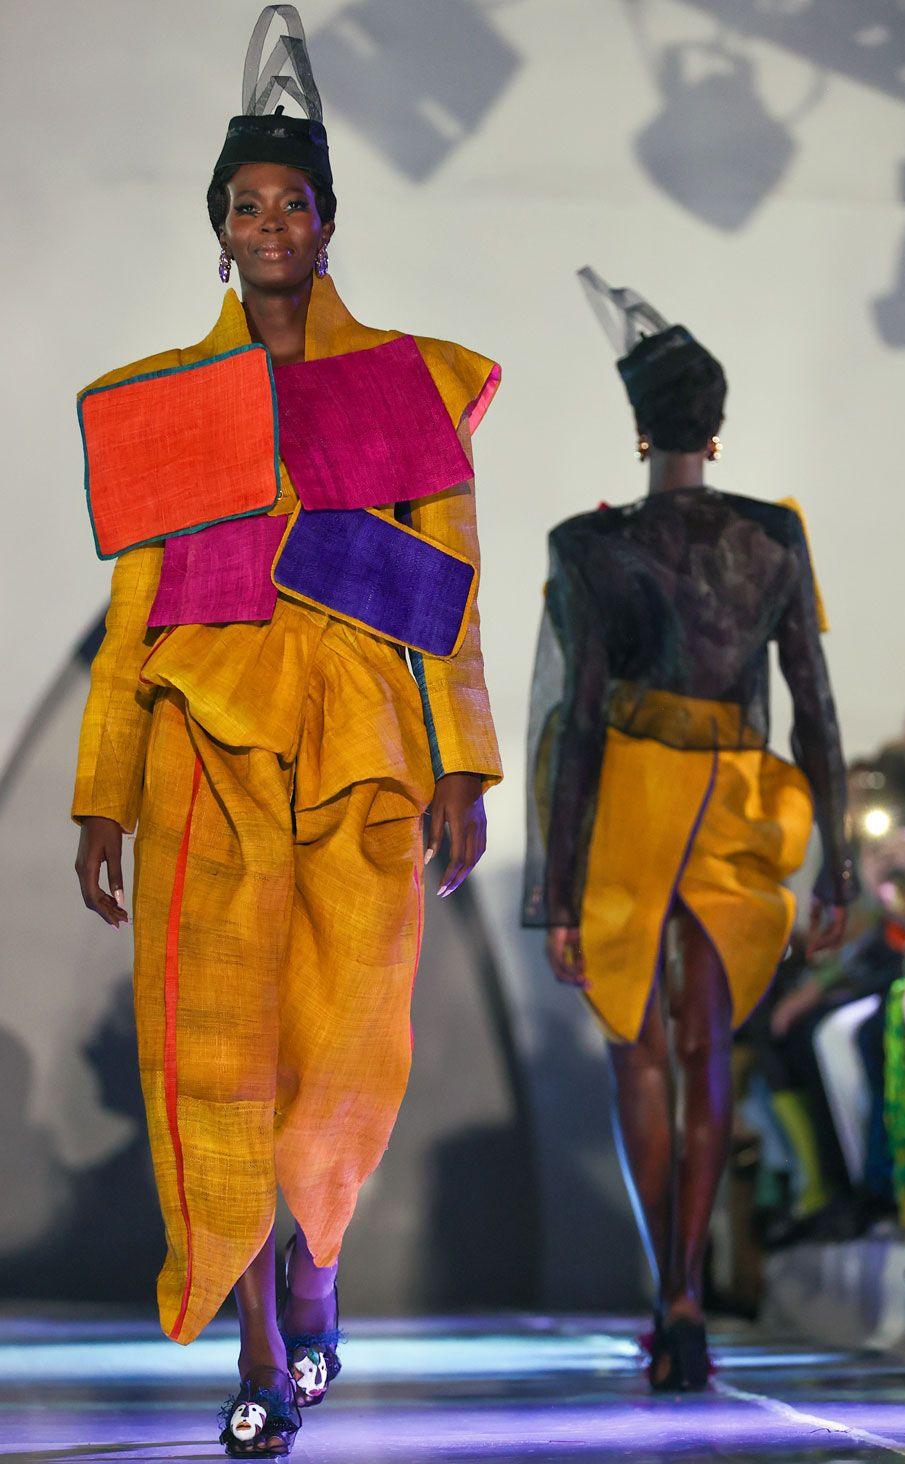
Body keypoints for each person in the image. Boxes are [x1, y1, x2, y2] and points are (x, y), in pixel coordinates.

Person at [72, 7, 501, 1455]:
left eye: (292, 202)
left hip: (370, 755)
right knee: (221, 1056)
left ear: (328, 223)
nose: (270, 222)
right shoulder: (167, 406)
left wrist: (464, 765)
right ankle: (257, 1348)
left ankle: (315, 1277)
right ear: (220, 229)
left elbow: (448, 596)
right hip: (206, 750)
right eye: (246, 204)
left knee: (348, 1053)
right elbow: (139, 617)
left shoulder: (405, 386)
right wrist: (100, 796)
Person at [524, 269, 855, 1391]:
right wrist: (841, 874)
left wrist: (556, 894)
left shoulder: (588, 544)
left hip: (627, 793)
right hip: (735, 799)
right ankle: (684, 1295)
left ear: (639, 430)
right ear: (716, 430)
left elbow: (573, 730)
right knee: (710, 1049)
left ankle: (661, 1289)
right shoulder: (773, 538)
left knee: (640, 1051)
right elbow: (814, 706)